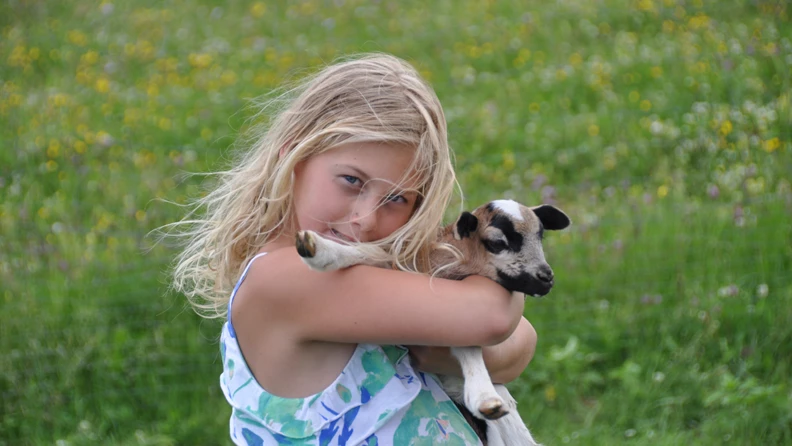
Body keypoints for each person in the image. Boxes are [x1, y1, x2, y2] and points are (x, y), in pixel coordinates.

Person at [169, 53, 537, 445]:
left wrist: (453, 354)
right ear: (294, 157)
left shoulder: (366, 277)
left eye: (396, 198)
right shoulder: (286, 280)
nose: (365, 218)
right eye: (351, 180)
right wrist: (502, 273)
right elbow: (493, 318)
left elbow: (519, 341)